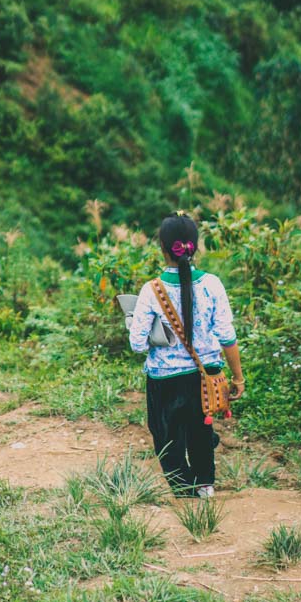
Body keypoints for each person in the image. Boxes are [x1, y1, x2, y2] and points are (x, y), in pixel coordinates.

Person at [129, 212, 244, 498]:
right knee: (201, 430)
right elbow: (227, 336)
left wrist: (149, 331)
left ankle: (183, 488)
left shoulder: (151, 290)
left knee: (166, 435)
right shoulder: (213, 284)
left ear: (163, 249)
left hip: (164, 380)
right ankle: (206, 485)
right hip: (207, 376)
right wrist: (238, 378)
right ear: (195, 247)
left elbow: (138, 344)